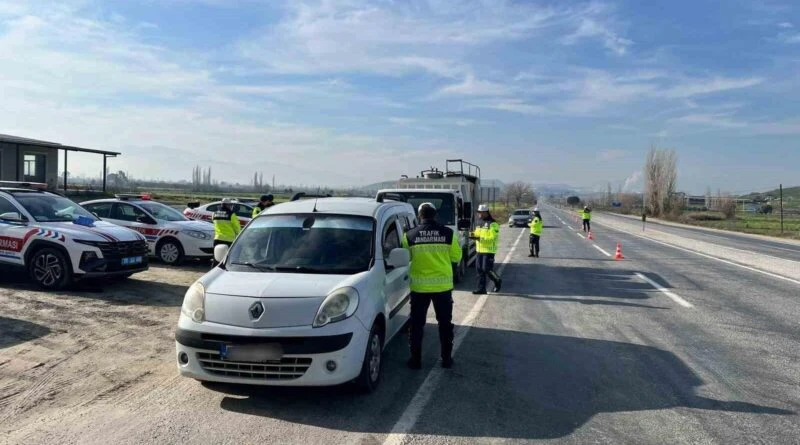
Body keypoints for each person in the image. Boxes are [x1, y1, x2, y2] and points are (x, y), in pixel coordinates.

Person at [402, 203, 462, 369]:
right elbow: (456, 257)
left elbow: (404, 258)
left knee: (416, 325)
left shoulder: (409, 235)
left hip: (419, 289)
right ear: (435, 215)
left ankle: (415, 360)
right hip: (442, 288)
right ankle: (446, 359)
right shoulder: (448, 233)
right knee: (445, 324)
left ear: (420, 215)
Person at [471, 204, 502, 295]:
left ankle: (497, 280)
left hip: (489, 250)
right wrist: (471, 235)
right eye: (478, 212)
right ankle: (481, 289)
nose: (479, 214)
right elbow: (476, 233)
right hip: (479, 250)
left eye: (480, 212)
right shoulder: (478, 222)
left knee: (487, 269)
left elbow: (493, 237)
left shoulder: (493, 224)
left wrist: (480, 239)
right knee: (479, 270)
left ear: (485, 212)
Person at [212, 198, 242, 266]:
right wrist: (239, 236)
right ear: (227, 205)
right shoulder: (231, 214)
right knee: (228, 260)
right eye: (230, 205)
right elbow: (237, 227)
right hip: (229, 240)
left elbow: (214, 223)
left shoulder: (214, 213)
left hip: (217, 239)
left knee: (216, 259)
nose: (231, 206)